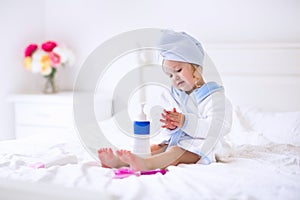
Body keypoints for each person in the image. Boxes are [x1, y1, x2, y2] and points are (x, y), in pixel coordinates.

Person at [98, 30, 232, 171]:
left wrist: (184, 122)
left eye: (178, 70)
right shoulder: (174, 95)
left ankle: (147, 164)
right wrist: (171, 126)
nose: (175, 78)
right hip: (178, 141)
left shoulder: (215, 98)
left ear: (196, 68)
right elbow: (167, 129)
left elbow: (216, 128)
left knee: (175, 152)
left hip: (203, 145)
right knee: (158, 148)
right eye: (169, 75)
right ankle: (122, 161)